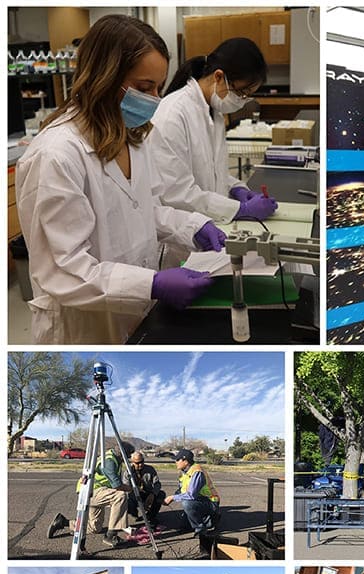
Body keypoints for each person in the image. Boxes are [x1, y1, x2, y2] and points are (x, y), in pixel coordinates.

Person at [14, 15, 222, 344]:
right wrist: (151, 284)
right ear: (105, 77)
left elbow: (145, 210)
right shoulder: (56, 155)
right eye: (144, 87)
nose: (154, 98)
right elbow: (65, 269)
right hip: (83, 329)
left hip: (136, 314)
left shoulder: (129, 138)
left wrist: (193, 226)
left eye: (158, 87)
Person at [151, 37, 276, 224]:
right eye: (241, 93)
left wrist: (236, 188)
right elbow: (176, 192)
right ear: (218, 77)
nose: (241, 101)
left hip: (211, 226)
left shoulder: (213, 111)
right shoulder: (173, 114)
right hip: (183, 233)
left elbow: (212, 172)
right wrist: (240, 210)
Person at [81, 444, 133, 547]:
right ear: (123, 454)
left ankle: (63, 522)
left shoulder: (114, 458)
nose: (129, 458)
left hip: (99, 492)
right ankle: (111, 535)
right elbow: (117, 485)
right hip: (93, 492)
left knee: (95, 528)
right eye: (128, 455)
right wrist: (132, 489)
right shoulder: (109, 461)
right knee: (120, 496)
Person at [163, 449, 220, 535]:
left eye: (178, 460)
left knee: (187, 503)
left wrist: (172, 498)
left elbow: (191, 495)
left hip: (210, 502)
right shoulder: (185, 472)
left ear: (185, 461)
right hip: (199, 499)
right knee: (185, 521)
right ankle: (191, 525)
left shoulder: (197, 472)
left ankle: (201, 529)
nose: (176, 462)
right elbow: (182, 490)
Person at [126, 449, 166, 534]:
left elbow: (157, 484)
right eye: (137, 463)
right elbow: (126, 487)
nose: (140, 464)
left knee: (161, 494)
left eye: (142, 461)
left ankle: (150, 517)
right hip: (134, 494)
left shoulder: (150, 469)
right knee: (126, 498)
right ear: (132, 462)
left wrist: (152, 494)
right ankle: (133, 514)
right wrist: (136, 491)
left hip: (147, 493)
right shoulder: (127, 471)